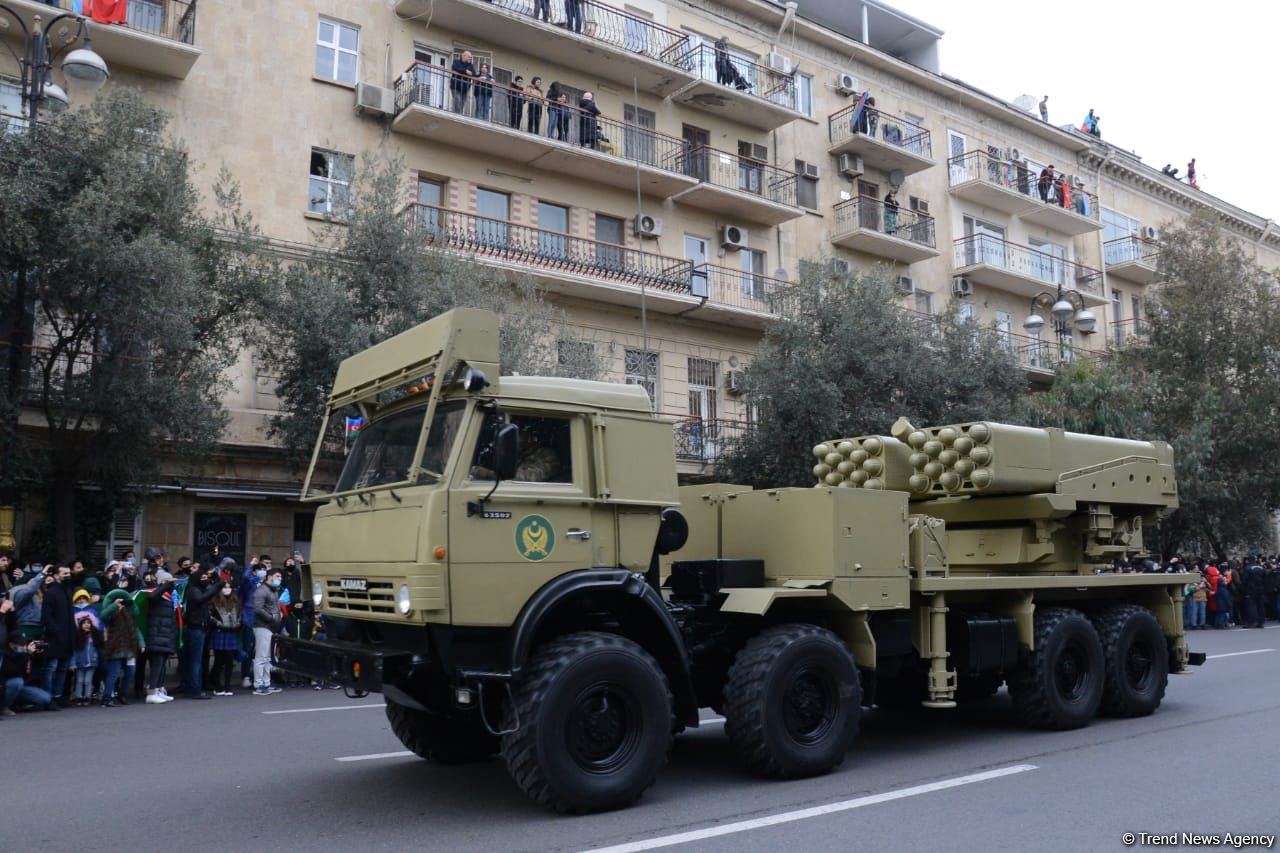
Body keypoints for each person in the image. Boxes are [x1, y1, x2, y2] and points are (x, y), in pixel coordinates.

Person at [181, 563, 218, 699]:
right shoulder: (194, 590)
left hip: (199, 628)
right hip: (195, 628)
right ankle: (195, 689)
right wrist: (217, 587)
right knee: (195, 661)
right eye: (202, 578)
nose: (205, 579)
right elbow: (202, 598)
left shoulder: (198, 588)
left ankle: (192, 687)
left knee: (194, 660)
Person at [39, 564, 74, 704]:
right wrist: (56, 632)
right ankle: (47, 697)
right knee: (50, 668)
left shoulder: (68, 590)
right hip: (55, 638)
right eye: (64, 573)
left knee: (63, 668)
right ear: (56, 576)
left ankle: (57, 696)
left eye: (69, 573)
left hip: (68, 637)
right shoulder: (51, 592)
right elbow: (46, 617)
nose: (68, 575)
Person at [99, 590, 141, 707]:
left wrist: (141, 643)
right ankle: (106, 698)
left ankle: (122, 694)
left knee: (130, 672)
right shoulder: (111, 611)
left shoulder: (129, 611)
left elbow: (135, 623)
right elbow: (103, 616)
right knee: (114, 673)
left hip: (129, 646)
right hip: (115, 646)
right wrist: (114, 605)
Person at [143, 571, 178, 703]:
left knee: (162, 664)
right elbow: (152, 597)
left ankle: (158, 689)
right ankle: (151, 692)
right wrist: (164, 586)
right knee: (157, 664)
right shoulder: (156, 593)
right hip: (157, 635)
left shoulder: (169, 596)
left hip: (165, 635)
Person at [1, 637, 57, 714]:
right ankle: (4, 707)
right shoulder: (7, 655)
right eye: (21, 645)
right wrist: (25, 655)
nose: (23, 647)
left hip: (21, 689)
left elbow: (40, 666)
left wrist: (39, 653)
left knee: (45, 698)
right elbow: (14, 672)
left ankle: (16, 703)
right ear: (11, 645)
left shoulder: (27, 653)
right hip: (6, 687)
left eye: (24, 644)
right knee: (17, 682)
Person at [252, 567, 284, 695]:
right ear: (269, 576)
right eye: (277, 576)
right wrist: (271, 618)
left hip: (270, 626)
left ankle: (266, 683)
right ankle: (259, 684)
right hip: (262, 626)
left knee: (268, 657)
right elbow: (258, 609)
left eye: (280, 577)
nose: (279, 579)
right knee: (261, 657)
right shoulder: (262, 591)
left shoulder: (273, 590)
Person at [208, 574, 241, 696]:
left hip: (231, 632)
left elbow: (239, 615)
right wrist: (219, 624)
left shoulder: (236, 601)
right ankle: (217, 684)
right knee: (219, 660)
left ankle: (227, 685)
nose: (227, 589)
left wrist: (237, 623)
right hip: (220, 632)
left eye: (229, 587)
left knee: (229, 660)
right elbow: (210, 616)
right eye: (224, 587)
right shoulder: (215, 601)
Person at [71, 611, 102, 706]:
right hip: (80, 662)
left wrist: (97, 659)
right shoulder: (77, 637)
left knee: (88, 680)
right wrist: (72, 663)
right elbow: (74, 652)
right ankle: (78, 696)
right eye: (84, 623)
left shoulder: (94, 636)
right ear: (80, 625)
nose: (86, 625)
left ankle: (87, 696)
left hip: (92, 662)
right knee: (80, 680)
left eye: (88, 623)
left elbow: (98, 649)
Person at [450, 50, 476, 114]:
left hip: (465, 88)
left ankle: (458, 115)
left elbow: (474, 74)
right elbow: (455, 68)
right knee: (457, 102)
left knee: (462, 104)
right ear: (463, 56)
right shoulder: (456, 62)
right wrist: (465, 71)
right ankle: (456, 115)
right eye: (469, 56)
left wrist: (468, 72)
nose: (470, 58)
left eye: (470, 57)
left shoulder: (470, 65)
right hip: (456, 86)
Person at [1244, 560, 1267, 629]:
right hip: (1261, 588)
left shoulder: (1248, 568)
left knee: (1251, 605)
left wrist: (1245, 589)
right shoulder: (1261, 568)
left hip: (1251, 589)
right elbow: (1265, 579)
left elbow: (1245, 580)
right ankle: (1261, 622)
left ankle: (1252, 622)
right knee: (1260, 606)